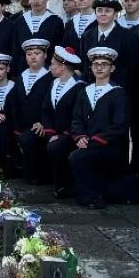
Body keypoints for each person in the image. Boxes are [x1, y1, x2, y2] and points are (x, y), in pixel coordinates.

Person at [69, 47, 131, 209]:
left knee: (78, 157)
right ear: (91, 68)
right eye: (96, 64)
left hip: (108, 144)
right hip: (87, 142)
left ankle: (92, 196)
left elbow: (119, 126)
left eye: (104, 64)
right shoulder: (85, 91)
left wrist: (94, 140)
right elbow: (77, 119)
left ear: (112, 68)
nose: (99, 67)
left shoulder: (118, 93)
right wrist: (80, 136)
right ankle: (82, 192)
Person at [39, 48, 84, 197]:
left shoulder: (79, 87)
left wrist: (64, 134)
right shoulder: (54, 84)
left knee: (56, 148)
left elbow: (78, 116)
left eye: (53, 64)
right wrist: (50, 131)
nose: (50, 67)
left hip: (71, 133)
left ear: (63, 67)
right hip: (54, 132)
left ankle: (65, 185)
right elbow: (45, 109)